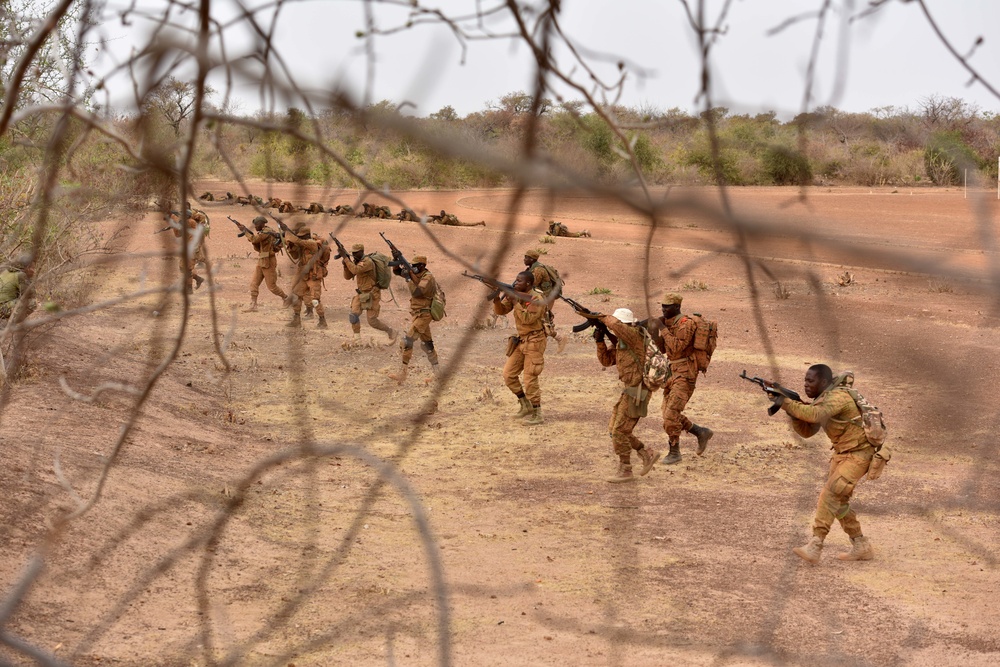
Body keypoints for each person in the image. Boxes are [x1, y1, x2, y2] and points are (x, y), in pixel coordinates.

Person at [773, 364, 878, 564]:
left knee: (830, 493)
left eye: (810, 381)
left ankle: (816, 544)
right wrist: (791, 411)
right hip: (842, 454)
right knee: (839, 503)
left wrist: (786, 403)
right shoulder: (822, 400)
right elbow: (807, 431)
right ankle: (861, 544)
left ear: (823, 382)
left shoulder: (838, 397)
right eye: (805, 380)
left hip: (859, 453)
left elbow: (814, 416)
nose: (806, 385)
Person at [593, 308, 661, 482]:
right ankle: (645, 452)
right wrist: (600, 340)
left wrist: (597, 316)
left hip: (638, 391)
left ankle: (626, 469)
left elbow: (615, 324)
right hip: (630, 390)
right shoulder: (623, 341)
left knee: (619, 431)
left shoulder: (634, 336)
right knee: (615, 429)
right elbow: (607, 361)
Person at [648, 292, 713, 464]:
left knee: (671, 414)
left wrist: (661, 327)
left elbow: (677, 346)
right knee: (667, 413)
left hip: (685, 373)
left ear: (677, 307)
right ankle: (700, 432)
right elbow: (663, 348)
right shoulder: (670, 324)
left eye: (667, 307)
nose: (663, 309)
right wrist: (655, 332)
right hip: (672, 372)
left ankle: (675, 452)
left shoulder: (685, 324)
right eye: (662, 306)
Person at [493, 271, 547, 425]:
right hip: (522, 340)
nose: (515, 283)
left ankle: (538, 414)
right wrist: (496, 298)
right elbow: (501, 311)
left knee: (530, 379)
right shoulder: (517, 294)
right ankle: (525, 406)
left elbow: (528, 319)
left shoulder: (537, 298)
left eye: (519, 281)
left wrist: (516, 302)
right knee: (508, 374)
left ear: (528, 284)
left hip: (535, 341)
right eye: (515, 281)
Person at [388, 255, 440, 383]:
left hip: (424, 315)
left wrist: (408, 278)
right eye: (412, 266)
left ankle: (403, 374)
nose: (413, 268)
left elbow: (416, 292)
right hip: (418, 314)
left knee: (407, 341)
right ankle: (438, 374)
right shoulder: (417, 275)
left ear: (422, 266)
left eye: (415, 266)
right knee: (427, 344)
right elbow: (397, 272)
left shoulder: (428, 277)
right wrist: (397, 262)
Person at [342, 242, 397, 345]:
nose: (354, 255)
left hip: (372, 294)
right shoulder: (357, 262)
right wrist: (345, 265)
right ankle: (357, 340)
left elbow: (355, 270)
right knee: (353, 315)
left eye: (356, 253)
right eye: (352, 253)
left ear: (362, 252)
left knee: (372, 321)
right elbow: (348, 276)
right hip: (361, 294)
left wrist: (346, 259)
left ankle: (390, 331)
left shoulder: (367, 262)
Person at [282, 222, 327, 329]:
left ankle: (322, 321)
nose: (300, 238)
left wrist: (287, 232)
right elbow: (295, 255)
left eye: (302, 237)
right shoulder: (303, 245)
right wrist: (291, 246)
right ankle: (296, 319)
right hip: (303, 275)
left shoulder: (312, 243)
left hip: (313, 275)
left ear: (307, 236)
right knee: (296, 295)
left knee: (315, 299)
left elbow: (298, 241)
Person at [523, 250, 567, 353]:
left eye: (526, 258)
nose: (524, 260)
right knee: (540, 320)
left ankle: (559, 339)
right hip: (541, 298)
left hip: (546, 298)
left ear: (532, 259)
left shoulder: (538, 270)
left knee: (542, 321)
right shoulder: (532, 268)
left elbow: (531, 285)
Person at [243, 216, 287, 312]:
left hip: (269, 261)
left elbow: (255, 239)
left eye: (256, 225)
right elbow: (257, 244)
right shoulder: (263, 232)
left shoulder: (266, 232)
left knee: (272, 287)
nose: (255, 227)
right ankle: (253, 305)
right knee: (254, 284)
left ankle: (286, 298)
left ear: (262, 224)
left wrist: (246, 232)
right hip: (261, 260)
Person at [170, 208, 207, 293]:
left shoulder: (191, 222)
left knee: (188, 269)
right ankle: (198, 279)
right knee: (183, 268)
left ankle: (189, 289)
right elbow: (178, 235)